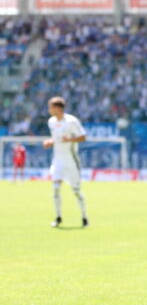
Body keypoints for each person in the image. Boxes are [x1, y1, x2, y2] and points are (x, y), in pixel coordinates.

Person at [42, 96, 88, 227]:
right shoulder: (51, 122)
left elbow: (83, 137)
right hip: (58, 160)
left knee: (76, 191)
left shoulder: (71, 121)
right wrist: (50, 142)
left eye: (50, 107)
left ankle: (84, 217)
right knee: (55, 188)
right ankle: (58, 217)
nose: (49, 110)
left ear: (57, 108)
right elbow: (56, 138)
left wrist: (69, 140)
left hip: (71, 161)